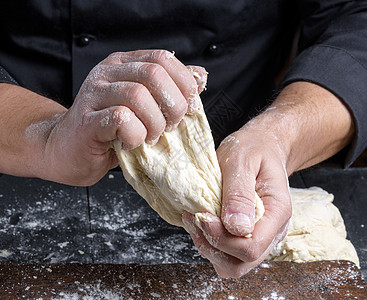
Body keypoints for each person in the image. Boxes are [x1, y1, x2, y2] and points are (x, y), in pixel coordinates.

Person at [0, 1, 366, 278]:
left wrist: (281, 133)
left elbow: (357, 16)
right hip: (16, 150)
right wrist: (46, 136)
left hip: (250, 156)